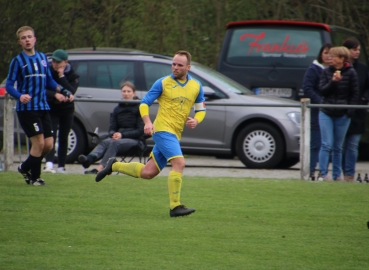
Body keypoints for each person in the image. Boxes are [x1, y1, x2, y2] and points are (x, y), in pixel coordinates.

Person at [95, 50, 206, 217]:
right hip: (162, 130)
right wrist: (147, 122)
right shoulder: (163, 83)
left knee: (148, 173)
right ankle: (175, 206)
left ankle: (114, 165)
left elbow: (201, 109)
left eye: (179, 65)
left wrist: (196, 120)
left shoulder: (196, 86)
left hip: (175, 133)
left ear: (188, 67)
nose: (175, 67)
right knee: (179, 163)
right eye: (173, 64)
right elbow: (144, 103)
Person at [5, 26, 60, 186]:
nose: (27, 40)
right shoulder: (17, 61)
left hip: (43, 107)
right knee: (39, 143)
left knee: (48, 145)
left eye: (29, 37)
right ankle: (35, 178)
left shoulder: (42, 58)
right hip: (27, 109)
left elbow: (49, 80)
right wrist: (20, 96)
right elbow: (9, 85)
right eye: (24, 38)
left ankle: (24, 167)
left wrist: (61, 90)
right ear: (19, 42)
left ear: (35, 39)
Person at [78, 82, 144, 174]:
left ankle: (99, 169)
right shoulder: (117, 109)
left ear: (134, 93)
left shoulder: (139, 108)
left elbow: (140, 131)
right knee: (105, 141)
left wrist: (122, 135)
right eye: (124, 91)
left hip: (134, 140)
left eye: (128, 91)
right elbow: (112, 127)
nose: (126, 93)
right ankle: (88, 159)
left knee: (114, 143)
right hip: (119, 138)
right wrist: (114, 134)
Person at [317, 46, 359, 181]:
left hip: (342, 114)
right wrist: (333, 82)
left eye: (333, 56)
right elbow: (322, 90)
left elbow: (354, 94)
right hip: (326, 112)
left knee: (338, 147)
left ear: (341, 59)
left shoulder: (351, 73)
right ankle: (322, 174)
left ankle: (336, 176)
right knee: (326, 144)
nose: (330, 59)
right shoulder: (326, 72)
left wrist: (349, 112)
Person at [43, 49, 78, 173]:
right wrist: (55, 95)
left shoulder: (72, 75)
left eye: (58, 62)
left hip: (67, 109)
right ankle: (49, 164)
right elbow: (44, 88)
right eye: (54, 61)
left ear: (65, 62)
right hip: (52, 108)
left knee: (64, 137)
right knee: (51, 136)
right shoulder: (48, 71)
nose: (55, 64)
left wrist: (62, 76)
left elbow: (71, 91)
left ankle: (62, 166)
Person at [302, 43, 333, 180]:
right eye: (326, 53)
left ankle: (323, 172)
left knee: (327, 144)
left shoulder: (334, 71)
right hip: (316, 111)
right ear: (321, 54)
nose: (328, 56)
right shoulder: (313, 69)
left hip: (331, 111)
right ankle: (310, 171)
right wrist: (320, 102)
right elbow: (307, 88)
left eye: (331, 54)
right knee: (315, 143)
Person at [341, 38, 369, 182]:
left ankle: (349, 174)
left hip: (358, 112)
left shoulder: (363, 68)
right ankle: (340, 171)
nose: (357, 52)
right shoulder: (339, 67)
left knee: (353, 145)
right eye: (354, 49)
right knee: (341, 145)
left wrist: (364, 99)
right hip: (342, 112)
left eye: (358, 50)